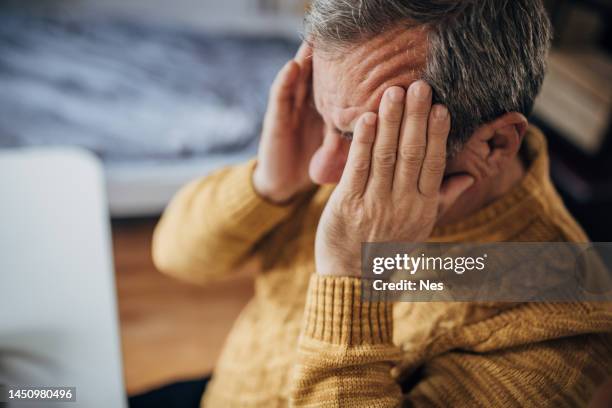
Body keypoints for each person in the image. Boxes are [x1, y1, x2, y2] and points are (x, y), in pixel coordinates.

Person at [152, 1, 612, 406]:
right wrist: (268, 184)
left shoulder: (561, 325)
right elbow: (177, 256)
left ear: (492, 145)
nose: (322, 172)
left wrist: (354, 272)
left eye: (359, 138)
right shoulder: (325, 151)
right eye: (325, 116)